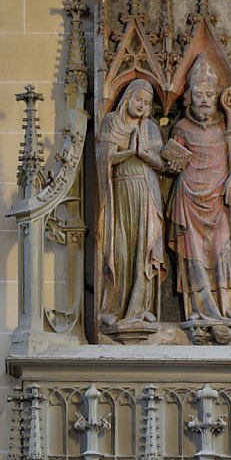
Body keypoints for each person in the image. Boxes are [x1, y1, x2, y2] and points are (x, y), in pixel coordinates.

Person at [165, 55, 231, 323]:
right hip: (189, 199)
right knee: (195, 256)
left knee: (223, 251)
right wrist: (170, 161)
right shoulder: (181, 127)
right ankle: (199, 309)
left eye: (209, 94)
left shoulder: (229, 129)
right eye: (198, 94)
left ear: (217, 98)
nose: (203, 99)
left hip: (220, 199)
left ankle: (227, 307)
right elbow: (171, 166)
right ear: (189, 98)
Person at [97, 79, 165, 326]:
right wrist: (129, 151)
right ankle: (115, 306)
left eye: (146, 103)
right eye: (138, 100)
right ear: (127, 98)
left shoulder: (151, 129)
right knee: (121, 249)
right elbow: (104, 158)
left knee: (144, 247)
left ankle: (140, 306)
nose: (142, 105)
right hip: (121, 189)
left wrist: (145, 154)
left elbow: (162, 165)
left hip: (147, 189)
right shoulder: (112, 122)